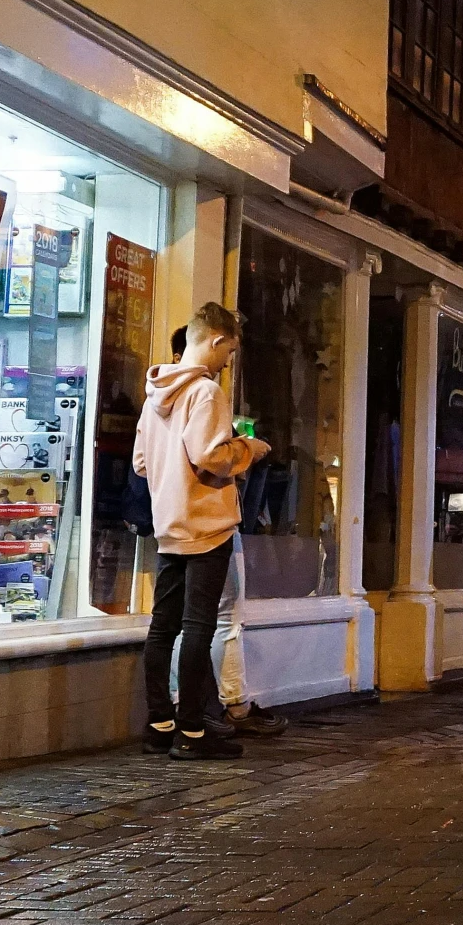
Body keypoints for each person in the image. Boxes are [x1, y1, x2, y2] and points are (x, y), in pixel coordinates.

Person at [132, 302, 271, 760]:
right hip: (206, 526)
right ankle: (193, 733)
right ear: (214, 340)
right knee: (198, 627)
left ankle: (159, 725)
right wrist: (248, 447)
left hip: (168, 523)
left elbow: (140, 462)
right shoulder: (206, 393)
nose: (229, 361)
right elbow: (211, 455)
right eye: (229, 350)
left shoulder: (156, 392)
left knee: (162, 627)